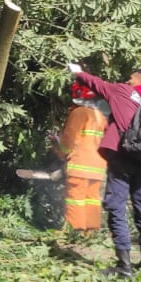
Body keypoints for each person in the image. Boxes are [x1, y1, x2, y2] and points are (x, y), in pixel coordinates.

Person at [69, 64, 141, 275]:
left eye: (132, 78)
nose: (128, 81)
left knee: (116, 206)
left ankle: (124, 265)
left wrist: (78, 72)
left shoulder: (123, 91)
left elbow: (97, 84)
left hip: (122, 157)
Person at [56, 82, 109, 235]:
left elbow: (69, 140)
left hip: (80, 165)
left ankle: (76, 230)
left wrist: (60, 152)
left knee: (75, 198)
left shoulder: (79, 113)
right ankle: (91, 231)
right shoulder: (100, 116)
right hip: (97, 166)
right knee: (92, 198)